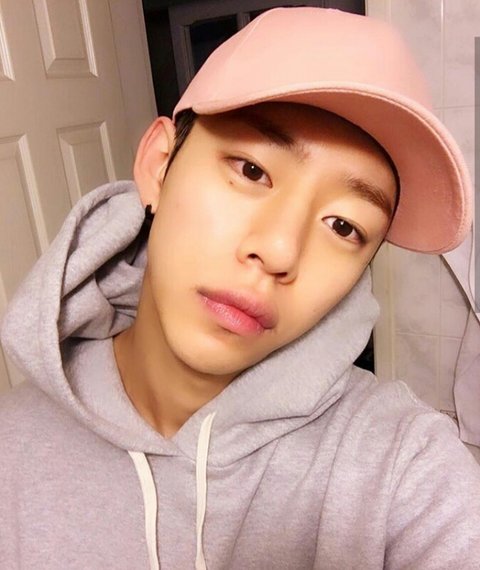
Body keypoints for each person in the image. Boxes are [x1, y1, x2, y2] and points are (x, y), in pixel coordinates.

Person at [0, 7, 479, 570]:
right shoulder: (12, 450)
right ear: (159, 164)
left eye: (344, 226)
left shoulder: (403, 462)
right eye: (252, 171)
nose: (278, 251)